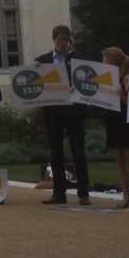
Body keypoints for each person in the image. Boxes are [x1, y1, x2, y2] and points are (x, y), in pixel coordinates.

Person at [36, 25, 90, 205]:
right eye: (59, 38)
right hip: (52, 110)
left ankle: (83, 193)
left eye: (65, 39)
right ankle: (59, 193)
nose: (62, 42)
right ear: (54, 39)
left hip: (73, 110)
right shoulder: (42, 60)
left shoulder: (78, 59)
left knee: (78, 152)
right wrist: (34, 70)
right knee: (55, 153)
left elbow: (86, 82)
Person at [100, 47, 129, 209]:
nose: (102, 61)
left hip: (127, 119)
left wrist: (121, 96)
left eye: (104, 58)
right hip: (113, 118)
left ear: (111, 60)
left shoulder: (126, 78)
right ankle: (125, 196)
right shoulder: (106, 78)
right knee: (119, 161)